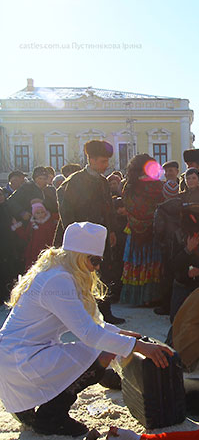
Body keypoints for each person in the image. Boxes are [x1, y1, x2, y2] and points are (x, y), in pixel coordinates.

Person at [0, 222, 172, 436]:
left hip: (15, 362)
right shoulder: (59, 280)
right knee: (101, 352)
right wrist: (138, 347)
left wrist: (125, 336)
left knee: (100, 348)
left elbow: (92, 323)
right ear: (79, 256)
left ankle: (37, 408)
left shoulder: (56, 269)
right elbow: (90, 334)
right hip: (22, 361)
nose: (97, 267)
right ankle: (52, 415)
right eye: (95, 260)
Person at [55, 139, 123, 324]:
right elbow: (65, 210)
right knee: (77, 276)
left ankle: (105, 313)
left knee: (103, 274)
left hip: (100, 238)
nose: (106, 165)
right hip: (80, 239)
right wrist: (76, 235)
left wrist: (112, 231)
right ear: (91, 159)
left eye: (107, 161)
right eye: (102, 161)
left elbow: (108, 208)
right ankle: (77, 317)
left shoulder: (102, 181)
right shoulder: (74, 181)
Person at [120, 154, 165, 307]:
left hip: (134, 229)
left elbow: (130, 206)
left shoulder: (129, 185)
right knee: (151, 262)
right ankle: (150, 297)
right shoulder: (157, 185)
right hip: (152, 230)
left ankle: (136, 297)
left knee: (138, 262)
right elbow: (161, 206)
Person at [15, 200, 59, 271]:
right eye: (37, 213)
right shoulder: (32, 225)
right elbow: (26, 235)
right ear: (34, 215)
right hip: (35, 250)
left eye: (42, 212)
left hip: (49, 248)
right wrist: (17, 227)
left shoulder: (51, 221)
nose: (41, 215)